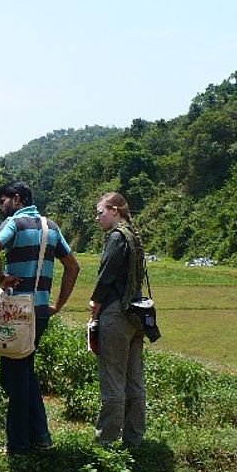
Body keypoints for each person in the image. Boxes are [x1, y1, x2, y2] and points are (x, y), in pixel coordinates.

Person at [0, 182, 80, 455]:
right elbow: (73, 266)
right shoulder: (52, 227)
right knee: (25, 373)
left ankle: (19, 445)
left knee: (14, 378)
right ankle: (42, 437)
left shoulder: (14, 223)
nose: (1, 208)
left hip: (16, 312)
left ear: (17, 199)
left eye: (3, 202)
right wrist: (57, 305)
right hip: (39, 311)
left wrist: (1, 278)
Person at [89, 192, 146, 448]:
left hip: (116, 312)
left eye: (100, 212)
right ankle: (134, 439)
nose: (97, 218)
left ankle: (107, 442)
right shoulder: (134, 236)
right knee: (134, 379)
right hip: (136, 315)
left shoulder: (116, 237)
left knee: (112, 378)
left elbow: (106, 274)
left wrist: (95, 302)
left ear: (114, 210)